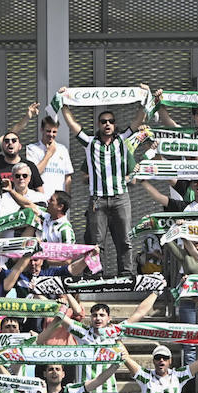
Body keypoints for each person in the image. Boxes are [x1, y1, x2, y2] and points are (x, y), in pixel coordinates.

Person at [57, 88, 149, 277]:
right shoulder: (91, 142)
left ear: (115, 125)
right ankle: (94, 274)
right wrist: (63, 100)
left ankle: (126, 275)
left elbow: (138, 120)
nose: (107, 124)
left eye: (111, 121)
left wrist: (145, 97)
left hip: (120, 198)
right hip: (97, 200)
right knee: (96, 242)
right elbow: (72, 124)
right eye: (104, 121)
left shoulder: (122, 140)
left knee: (124, 239)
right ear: (98, 124)